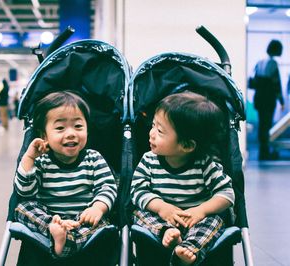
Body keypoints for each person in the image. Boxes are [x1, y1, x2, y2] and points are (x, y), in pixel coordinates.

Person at [130, 92, 234, 265]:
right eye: (153, 125)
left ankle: (187, 249)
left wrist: (201, 211)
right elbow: (137, 191)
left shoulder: (204, 164)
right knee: (139, 214)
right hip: (162, 218)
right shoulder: (149, 160)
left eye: (160, 131)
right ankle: (167, 233)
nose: (152, 133)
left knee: (215, 220)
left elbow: (227, 194)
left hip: (196, 220)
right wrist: (162, 207)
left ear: (186, 145)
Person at [14, 91, 117, 258]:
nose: (71, 133)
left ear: (87, 129)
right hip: (49, 217)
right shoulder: (41, 162)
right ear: (44, 136)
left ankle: (66, 240)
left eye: (78, 126)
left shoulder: (93, 159)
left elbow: (107, 187)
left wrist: (97, 208)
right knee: (22, 208)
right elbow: (25, 192)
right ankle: (55, 230)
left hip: (83, 218)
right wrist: (29, 157)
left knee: (103, 222)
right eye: (60, 128)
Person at [251, 39, 285, 160]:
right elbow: (277, 84)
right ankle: (265, 152)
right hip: (269, 99)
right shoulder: (273, 64)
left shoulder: (260, 62)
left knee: (262, 125)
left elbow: (253, 80)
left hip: (259, 98)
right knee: (267, 125)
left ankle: (262, 151)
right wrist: (281, 101)